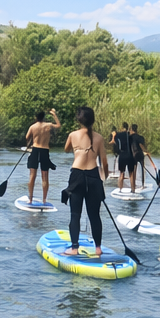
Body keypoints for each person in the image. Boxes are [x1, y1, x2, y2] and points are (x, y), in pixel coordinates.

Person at [61, 106, 109, 256]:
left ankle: (74, 248)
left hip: (77, 176)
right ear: (93, 120)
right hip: (94, 177)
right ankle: (98, 248)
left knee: (75, 214)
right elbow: (105, 163)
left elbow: (66, 149)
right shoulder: (99, 138)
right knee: (94, 215)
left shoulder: (73, 135)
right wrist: (104, 178)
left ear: (79, 120)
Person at [24, 107, 61, 204]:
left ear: (36, 118)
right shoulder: (48, 125)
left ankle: (30, 199)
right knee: (45, 176)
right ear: (44, 118)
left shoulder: (33, 126)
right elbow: (58, 125)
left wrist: (32, 140)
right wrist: (54, 114)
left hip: (35, 150)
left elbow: (27, 137)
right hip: (45, 151)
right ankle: (44, 199)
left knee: (32, 175)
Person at [129, 123, 157, 191]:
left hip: (133, 154)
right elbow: (141, 145)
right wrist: (146, 152)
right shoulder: (140, 137)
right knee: (142, 169)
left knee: (134, 170)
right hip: (140, 154)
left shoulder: (129, 137)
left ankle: (133, 186)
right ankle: (143, 184)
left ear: (131, 129)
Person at [114, 122, 135, 191]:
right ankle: (133, 190)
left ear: (122, 127)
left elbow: (116, 144)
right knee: (131, 174)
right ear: (128, 128)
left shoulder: (118, 135)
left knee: (121, 173)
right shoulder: (130, 135)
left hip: (122, 155)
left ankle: (120, 189)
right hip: (130, 155)